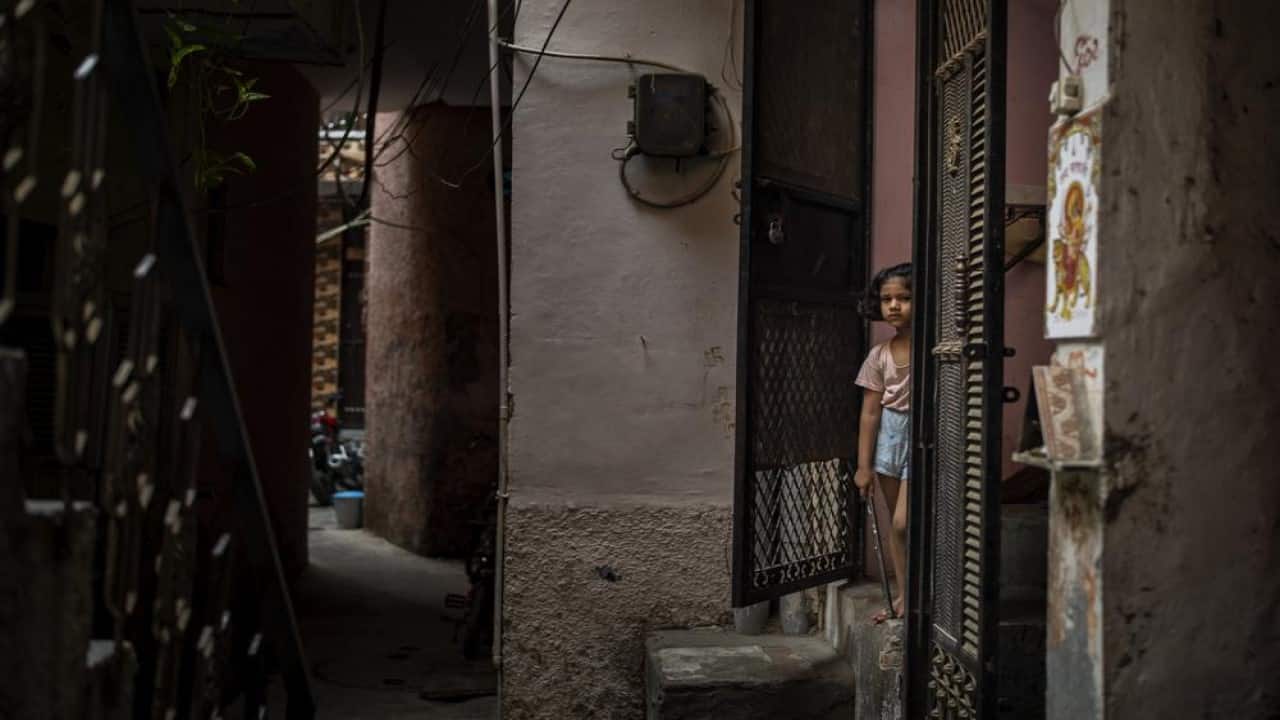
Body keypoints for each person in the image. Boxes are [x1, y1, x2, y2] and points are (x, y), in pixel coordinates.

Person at [853, 262, 913, 623]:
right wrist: (863, 467)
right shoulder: (879, 355)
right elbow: (870, 413)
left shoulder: (935, 349)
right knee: (895, 524)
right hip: (889, 441)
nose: (893, 306)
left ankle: (924, 594)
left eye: (904, 298)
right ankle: (905, 594)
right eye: (887, 299)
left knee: (906, 523)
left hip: (923, 440)